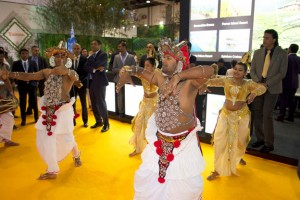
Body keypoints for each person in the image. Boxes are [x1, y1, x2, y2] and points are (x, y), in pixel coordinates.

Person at [117, 38, 214, 200]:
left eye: (168, 58)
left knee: (183, 189)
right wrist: (128, 69)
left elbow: (210, 70)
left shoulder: (190, 83)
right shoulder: (161, 78)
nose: (164, 61)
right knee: (148, 181)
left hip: (182, 145)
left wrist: (178, 76)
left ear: (180, 61)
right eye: (163, 58)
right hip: (159, 141)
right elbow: (142, 72)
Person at [1, 43, 82, 180]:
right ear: (52, 59)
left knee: (67, 137)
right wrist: (10, 74)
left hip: (63, 109)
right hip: (48, 110)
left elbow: (77, 79)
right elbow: (29, 76)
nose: (59, 59)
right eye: (56, 56)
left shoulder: (70, 73)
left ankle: (76, 155)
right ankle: (52, 170)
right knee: (45, 139)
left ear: (67, 59)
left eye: (62, 56)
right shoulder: (47, 72)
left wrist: (67, 72)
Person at [204, 62, 266, 181]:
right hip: (225, 115)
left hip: (241, 116)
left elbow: (262, 87)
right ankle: (217, 170)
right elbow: (211, 81)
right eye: (235, 69)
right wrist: (203, 84)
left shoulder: (248, 83)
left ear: (245, 72)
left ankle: (237, 157)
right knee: (219, 140)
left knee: (240, 141)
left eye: (240, 70)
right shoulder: (226, 80)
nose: (236, 72)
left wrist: (254, 93)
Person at [250, 29, 288, 153]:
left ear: (274, 39)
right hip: (258, 87)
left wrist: (266, 84)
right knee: (257, 113)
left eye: (267, 38)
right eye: (263, 37)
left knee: (267, 115)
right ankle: (260, 139)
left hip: (272, 88)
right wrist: (258, 82)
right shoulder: (257, 52)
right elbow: (253, 70)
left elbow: (282, 73)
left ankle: (268, 143)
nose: (264, 40)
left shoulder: (282, 53)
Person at [129, 57, 159, 157]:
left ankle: (152, 151)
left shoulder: (158, 75)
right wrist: (126, 71)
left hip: (154, 104)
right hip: (144, 102)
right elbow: (130, 71)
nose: (145, 68)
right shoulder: (142, 74)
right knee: (138, 124)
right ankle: (137, 148)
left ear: (153, 66)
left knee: (150, 127)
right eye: (144, 65)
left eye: (148, 66)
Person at [85, 39, 109, 132]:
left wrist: (92, 66)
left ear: (99, 45)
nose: (93, 46)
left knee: (101, 103)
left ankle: (106, 124)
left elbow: (99, 64)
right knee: (94, 104)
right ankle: (98, 121)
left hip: (100, 83)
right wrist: (95, 69)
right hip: (91, 83)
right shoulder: (91, 56)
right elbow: (85, 67)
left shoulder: (103, 54)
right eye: (92, 44)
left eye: (95, 44)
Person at [12, 48, 39, 126]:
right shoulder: (16, 63)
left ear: (28, 54)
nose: (24, 55)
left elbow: (37, 73)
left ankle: (36, 118)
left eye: (26, 53)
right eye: (23, 53)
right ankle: (23, 120)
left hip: (32, 85)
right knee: (23, 103)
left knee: (34, 102)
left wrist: (35, 83)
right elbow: (13, 74)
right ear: (20, 54)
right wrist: (16, 82)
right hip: (22, 86)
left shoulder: (33, 63)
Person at [276, 44, 300, 122]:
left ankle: (281, 116)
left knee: (283, 100)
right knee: (291, 100)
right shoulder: (298, 59)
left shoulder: (286, 58)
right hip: (295, 82)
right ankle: (291, 116)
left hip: (285, 82)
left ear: (289, 49)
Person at [0, 50, 19, 147]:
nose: (1, 58)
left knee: (9, 118)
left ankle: (7, 140)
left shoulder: (5, 66)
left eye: (2, 56)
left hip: (3, 97)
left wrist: (12, 93)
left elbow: (7, 80)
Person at [112, 40, 136, 118]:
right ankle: (121, 112)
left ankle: (130, 112)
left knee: (129, 96)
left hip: (128, 80)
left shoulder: (131, 57)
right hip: (118, 79)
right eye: (118, 47)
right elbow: (113, 69)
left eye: (120, 46)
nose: (118, 48)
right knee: (120, 96)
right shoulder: (116, 57)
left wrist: (127, 70)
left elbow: (134, 68)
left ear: (124, 47)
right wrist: (120, 70)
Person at [26, 45, 49, 115]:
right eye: (35, 50)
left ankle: (44, 109)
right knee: (31, 96)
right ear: (32, 51)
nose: (37, 52)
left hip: (42, 80)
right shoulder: (28, 59)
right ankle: (29, 110)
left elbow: (47, 68)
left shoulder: (42, 59)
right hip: (31, 81)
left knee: (43, 95)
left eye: (38, 50)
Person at [72, 43, 88, 127]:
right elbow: (68, 71)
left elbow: (86, 72)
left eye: (78, 48)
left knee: (83, 103)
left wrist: (79, 81)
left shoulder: (84, 59)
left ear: (80, 49)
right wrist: (73, 81)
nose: (76, 50)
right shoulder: (69, 59)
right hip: (72, 84)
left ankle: (85, 121)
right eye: (74, 48)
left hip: (82, 84)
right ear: (72, 49)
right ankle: (72, 120)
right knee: (72, 103)